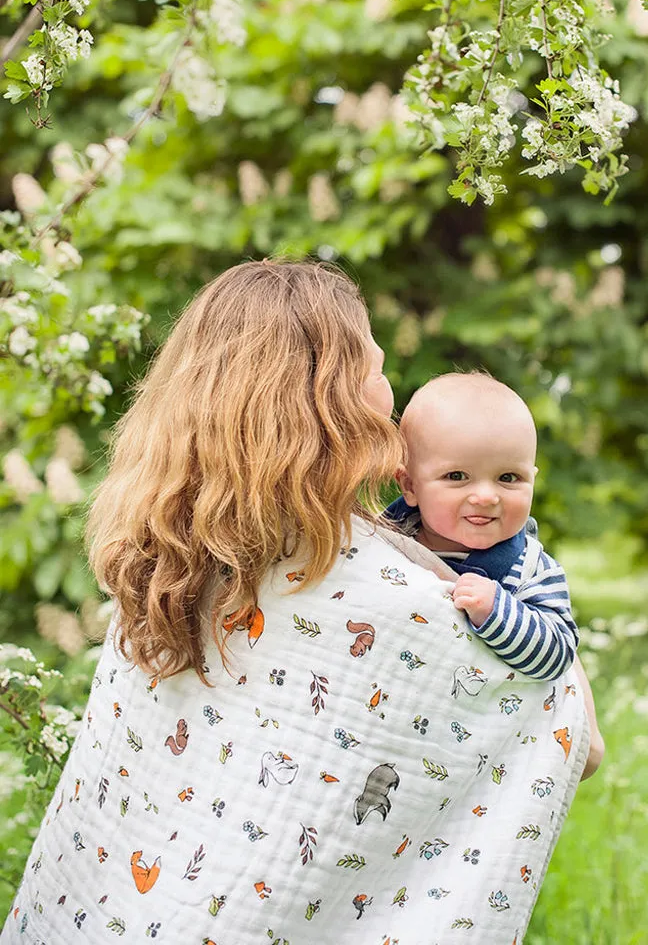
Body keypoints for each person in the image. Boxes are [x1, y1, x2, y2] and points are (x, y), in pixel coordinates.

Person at [1, 261, 602, 945]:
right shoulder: (387, 591)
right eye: (375, 367)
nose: (389, 390)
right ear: (333, 396)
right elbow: (576, 739)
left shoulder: (161, 564)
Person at [387, 372, 578, 679]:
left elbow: (559, 655)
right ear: (409, 485)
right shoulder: (380, 543)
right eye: (457, 476)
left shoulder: (530, 569)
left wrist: (496, 610)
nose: (487, 497)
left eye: (508, 478)